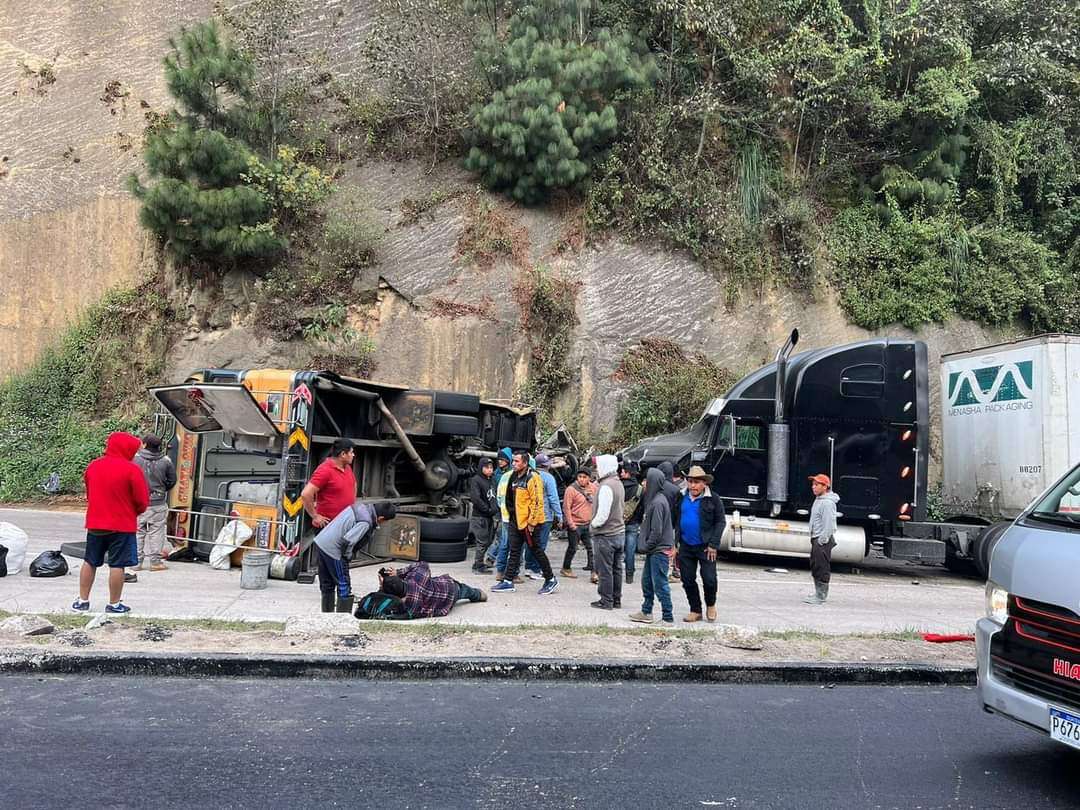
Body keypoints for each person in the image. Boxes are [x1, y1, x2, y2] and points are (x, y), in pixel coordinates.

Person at [73, 432, 150, 615]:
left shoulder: (93, 466)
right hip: (122, 525)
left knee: (90, 561)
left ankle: (82, 601)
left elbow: (90, 493)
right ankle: (114, 604)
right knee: (117, 565)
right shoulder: (132, 470)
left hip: (95, 523)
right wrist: (133, 512)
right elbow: (142, 501)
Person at [491, 451, 559, 595]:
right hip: (516, 521)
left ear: (525, 463)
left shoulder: (533, 477)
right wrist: (511, 517)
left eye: (517, 461)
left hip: (529, 524)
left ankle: (551, 579)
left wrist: (532, 524)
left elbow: (537, 502)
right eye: (513, 461)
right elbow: (510, 498)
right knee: (514, 550)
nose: (513, 463)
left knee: (536, 551)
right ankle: (508, 581)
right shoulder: (514, 476)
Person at [315, 500, 397, 612]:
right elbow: (347, 541)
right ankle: (342, 619)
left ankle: (326, 617)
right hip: (334, 550)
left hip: (322, 542)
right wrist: (347, 556)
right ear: (381, 518)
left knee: (327, 585)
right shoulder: (365, 522)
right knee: (344, 586)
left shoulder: (360, 506)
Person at [673, 465, 726, 622]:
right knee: (687, 579)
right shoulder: (681, 496)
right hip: (685, 545)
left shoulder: (713, 498)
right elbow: (675, 519)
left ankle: (711, 604)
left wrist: (713, 544)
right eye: (690, 482)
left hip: (706, 546)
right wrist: (674, 542)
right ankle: (695, 610)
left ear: (704, 483)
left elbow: (720, 522)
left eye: (696, 482)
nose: (692, 486)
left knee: (709, 579)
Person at [629, 467, 675, 626]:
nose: (644, 483)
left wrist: (645, 546)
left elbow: (657, 531)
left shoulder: (658, 503)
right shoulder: (655, 499)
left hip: (659, 550)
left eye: (646, 480)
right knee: (647, 582)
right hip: (653, 550)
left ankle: (668, 617)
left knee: (660, 584)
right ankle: (646, 611)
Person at [132, 433, 176, 574]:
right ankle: (155, 562)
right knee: (156, 532)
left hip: (138, 502)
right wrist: (162, 490)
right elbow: (172, 480)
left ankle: (136, 562)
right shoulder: (166, 461)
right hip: (158, 502)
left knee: (138, 532)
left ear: (145, 444)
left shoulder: (135, 459)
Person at [378, 562, 487, 618]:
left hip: (443, 605)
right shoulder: (416, 577)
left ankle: (477, 595)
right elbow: (423, 564)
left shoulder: (409, 605)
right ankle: (478, 594)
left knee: (463, 591)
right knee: (467, 591)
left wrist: (383, 588)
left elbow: (386, 604)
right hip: (449, 588)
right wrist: (398, 572)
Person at [589, 454, 625, 609]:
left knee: (605, 570)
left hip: (606, 535)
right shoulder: (618, 483)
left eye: (598, 466)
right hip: (619, 532)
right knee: (617, 569)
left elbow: (603, 514)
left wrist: (593, 525)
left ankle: (606, 600)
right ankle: (616, 599)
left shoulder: (606, 486)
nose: (597, 470)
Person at [301, 438, 358, 529]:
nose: (353, 455)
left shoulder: (347, 467)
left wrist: (352, 503)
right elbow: (306, 494)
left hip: (345, 523)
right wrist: (315, 516)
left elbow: (353, 485)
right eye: (351, 452)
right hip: (328, 526)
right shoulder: (325, 470)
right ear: (343, 454)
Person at [525, 453, 563, 579]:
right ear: (546, 466)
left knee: (530, 542)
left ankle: (528, 567)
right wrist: (559, 515)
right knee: (541, 544)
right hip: (544, 516)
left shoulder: (529, 476)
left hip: (530, 515)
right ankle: (535, 569)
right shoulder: (549, 478)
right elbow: (553, 498)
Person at [804, 473, 839, 605]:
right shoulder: (819, 499)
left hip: (821, 539)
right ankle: (818, 592)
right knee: (815, 565)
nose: (813, 487)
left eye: (817, 484)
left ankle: (821, 596)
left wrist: (822, 540)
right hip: (816, 538)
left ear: (825, 487)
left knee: (821, 567)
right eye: (813, 484)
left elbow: (829, 524)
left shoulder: (827, 503)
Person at [561, 468, 596, 578]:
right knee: (573, 548)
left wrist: (592, 496)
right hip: (575, 524)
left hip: (588, 523)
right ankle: (566, 568)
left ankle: (593, 570)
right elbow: (566, 508)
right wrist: (571, 524)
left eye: (584, 477)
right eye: (580, 477)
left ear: (589, 478)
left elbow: (597, 502)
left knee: (591, 547)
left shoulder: (593, 487)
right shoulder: (571, 489)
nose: (581, 479)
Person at [486, 447, 513, 571]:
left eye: (503, 459)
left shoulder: (513, 473)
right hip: (500, 509)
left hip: (510, 508)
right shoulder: (496, 474)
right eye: (499, 459)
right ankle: (491, 557)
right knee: (501, 534)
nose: (500, 461)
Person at [469, 458, 499, 573]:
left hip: (489, 516)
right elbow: (476, 498)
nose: (489, 470)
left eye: (491, 467)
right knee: (481, 542)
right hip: (479, 517)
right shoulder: (476, 480)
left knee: (488, 541)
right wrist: (487, 509)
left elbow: (494, 496)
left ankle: (479, 563)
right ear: (481, 468)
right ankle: (478, 566)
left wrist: (494, 509)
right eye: (487, 467)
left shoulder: (492, 480)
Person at [620, 463, 643, 584]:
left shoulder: (619, 486)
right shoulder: (640, 489)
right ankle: (629, 575)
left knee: (617, 549)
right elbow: (642, 507)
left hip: (618, 522)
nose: (620, 473)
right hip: (633, 523)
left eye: (622, 471)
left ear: (627, 473)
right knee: (630, 550)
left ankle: (615, 572)